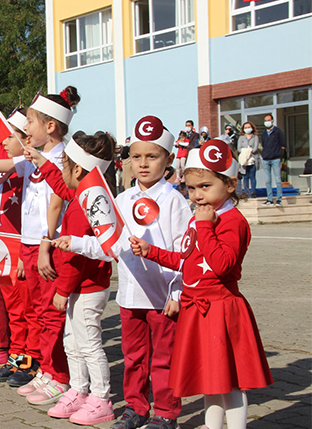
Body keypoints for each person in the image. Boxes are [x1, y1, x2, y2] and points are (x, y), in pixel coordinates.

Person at [56, 115, 191, 429]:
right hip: (131, 297)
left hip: (162, 298)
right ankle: (136, 407)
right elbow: (110, 246)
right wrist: (77, 242)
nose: (143, 164)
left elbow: (186, 254)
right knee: (134, 358)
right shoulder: (122, 199)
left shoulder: (175, 201)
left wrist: (177, 293)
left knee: (164, 358)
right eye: (137, 156)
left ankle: (166, 413)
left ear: (168, 159)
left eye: (152, 156)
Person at [130, 144, 272, 429]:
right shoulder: (201, 217)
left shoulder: (232, 221)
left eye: (205, 186)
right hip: (198, 311)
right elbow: (186, 260)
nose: (197, 195)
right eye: (192, 188)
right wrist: (150, 251)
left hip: (221, 310)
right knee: (210, 379)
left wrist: (205, 226)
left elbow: (222, 264)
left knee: (230, 381)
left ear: (230, 185)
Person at [0, 93, 72, 405]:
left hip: (48, 246)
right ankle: (46, 369)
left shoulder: (62, 160)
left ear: (50, 127)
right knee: (37, 311)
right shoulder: (31, 158)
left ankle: (59, 374)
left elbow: (55, 206)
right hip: (28, 244)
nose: (25, 128)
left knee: (50, 314)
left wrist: (44, 244)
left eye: (29, 121)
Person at [30, 133, 115, 425]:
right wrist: (43, 162)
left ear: (77, 169)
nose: (62, 170)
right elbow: (62, 184)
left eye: (64, 164)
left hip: (86, 287)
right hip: (80, 287)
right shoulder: (86, 193)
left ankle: (101, 398)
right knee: (72, 342)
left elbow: (76, 260)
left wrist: (63, 290)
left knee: (88, 344)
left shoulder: (83, 205)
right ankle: (79, 390)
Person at [0, 109, 42, 387]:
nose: (4, 142)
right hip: (4, 249)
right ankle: (17, 355)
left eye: (10, 136)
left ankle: (32, 358)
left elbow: (29, 220)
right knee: (13, 308)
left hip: (20, 250)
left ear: (25, 140)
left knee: (27, 308)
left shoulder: (24, 169)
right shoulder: (6, 174)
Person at [260, 114, 286, 206]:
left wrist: (278, 153)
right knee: (268, 180)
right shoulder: (264, 133)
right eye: (265, 120)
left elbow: (283, 145)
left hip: (275, 158)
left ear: (272, 121)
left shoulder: (277, 131)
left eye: (268, 120)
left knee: (278, 179)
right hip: (266, 159)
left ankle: (279, 199)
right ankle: (269, 199)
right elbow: (263, 144)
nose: (267, 122)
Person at [237, 122, 260, 198]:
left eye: (249, 127)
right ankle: (246, 192)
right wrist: (246, 152)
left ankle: (253, 192)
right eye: (246, 127)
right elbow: (239, 148)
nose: (247, 129)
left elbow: (256, 147)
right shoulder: (241, 138)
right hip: (244, 160)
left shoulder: (255, 137)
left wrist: (250, 152)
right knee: (245, 177)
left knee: (252, 176)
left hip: (253, 159)